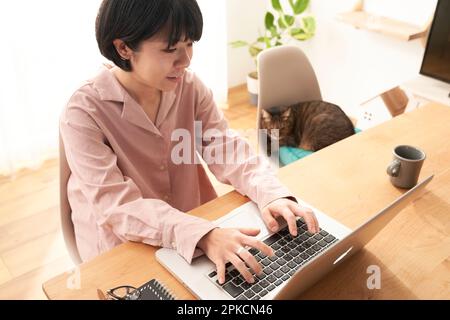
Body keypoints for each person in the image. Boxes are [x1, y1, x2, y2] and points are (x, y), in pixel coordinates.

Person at [60, 0, 319, 285]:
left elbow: (226, 148)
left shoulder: (190, 87)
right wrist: (204, 235)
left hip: (197, 225)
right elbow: (118, 207)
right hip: (122, 248)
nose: (185, 60)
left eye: (189, 44)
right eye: (170, 49)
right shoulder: (83, 112)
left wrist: (272, 193)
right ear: (123, 48)